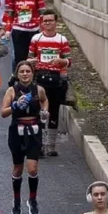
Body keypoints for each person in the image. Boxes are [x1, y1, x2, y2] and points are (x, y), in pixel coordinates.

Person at [0, 61, 48, 214]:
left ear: (32, 73)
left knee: (33, 168)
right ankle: (16, 199)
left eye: (28, 71)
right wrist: (14, 105)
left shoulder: (38, 90)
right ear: (17, 74)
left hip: (34, 130)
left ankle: (32, 199)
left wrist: (44, 112)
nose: (25, 74)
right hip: (17, 131)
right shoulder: (11, 91)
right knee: (18, 168)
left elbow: (44, 100)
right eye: (22, 71)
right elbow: (3, 112)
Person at [28, 8, 71, 156]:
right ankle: (39, 144)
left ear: (55, 22)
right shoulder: (36, 39)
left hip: (57, 79)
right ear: (42, 22)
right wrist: (31, 62)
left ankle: (51, 146)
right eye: (45, 21)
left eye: (50, 21)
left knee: (53, 111)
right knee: (39, 111)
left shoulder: (62, 40)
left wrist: (61, 61)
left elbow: (69, 61)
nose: (47, 23)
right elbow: (29, 58)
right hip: (40, 77)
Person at [1, 0, 45, 67]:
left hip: (33, 30)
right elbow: (10, 13)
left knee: (33, 56)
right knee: (19, 57)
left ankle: (33, 77)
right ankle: (18, 78)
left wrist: (43, 29)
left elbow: (42, 14)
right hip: (18, 30)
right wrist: (7, 29)